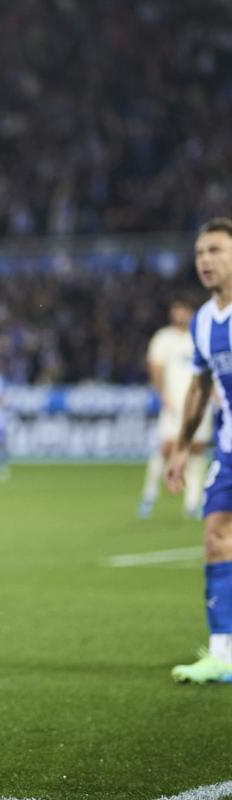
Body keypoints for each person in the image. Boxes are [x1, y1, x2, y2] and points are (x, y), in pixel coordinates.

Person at [167, 218, 232, 685]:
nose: (205, 260)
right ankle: (222, 653)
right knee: (215, 538)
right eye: (199, 253)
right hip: (228, 450)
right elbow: (199, 384)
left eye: (215, 250)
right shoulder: (204, 321)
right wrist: (183, 445)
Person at [141, 301, 211, 519]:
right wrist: (161, 394)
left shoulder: (200, 334)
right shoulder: (164, 338)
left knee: (197, 449)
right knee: (167, 448)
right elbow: (155, 366)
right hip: (173, 405)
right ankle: (149, 496)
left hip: (199, 403)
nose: (180, 313)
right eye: (176, 309)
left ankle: (192, 503)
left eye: (184, 309)